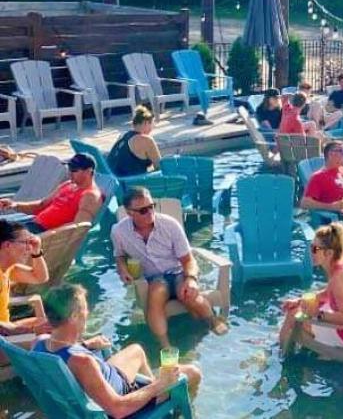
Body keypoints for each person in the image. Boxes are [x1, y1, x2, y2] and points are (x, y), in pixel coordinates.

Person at [33, 283, 201, 418]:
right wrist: (160, 385)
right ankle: (167, 406)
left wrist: (85, 345)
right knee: (192, 373)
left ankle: (156, 397)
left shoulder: (40, 343)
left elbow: (65, 355)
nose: (88, 312)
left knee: (137, 350)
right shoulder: (83, 362)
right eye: (84, 308)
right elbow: (118, 409)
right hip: (125, 401)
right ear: (74, 317)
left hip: (108, 381)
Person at [111, 187, 228, 347]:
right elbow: (119, 255)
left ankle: (212, 321)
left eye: (152, 206)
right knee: (156, 293)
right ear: (129, 212)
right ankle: (166, 347)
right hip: (154, 278)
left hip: (178, 271)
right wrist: (122, 269)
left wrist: (191, 279)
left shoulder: (169, 225)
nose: (150, 212)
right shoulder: (119, 231)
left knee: (188, 294)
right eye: (143, 210)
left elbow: (188, 260)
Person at [279, 222, 343, 354]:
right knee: (296, 309)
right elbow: (328, 293)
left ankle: (280, 355)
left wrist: (317, 314)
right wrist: (300, 300)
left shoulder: (338, 278)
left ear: (329, 253)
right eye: (311, 247)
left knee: (292, 315)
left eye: (315, 249)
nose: (310, 252)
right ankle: (284, 345)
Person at [0, 153, 102, 233]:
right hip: (33, 224)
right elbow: (41, 205)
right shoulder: (68, 185)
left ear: (88, 171)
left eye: (74, 170)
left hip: (44, 234)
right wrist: (14, 205)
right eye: (69, 169)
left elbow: (78, 227)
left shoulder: (90, 196)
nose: (69, 173)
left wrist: (44, 236)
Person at [0, 221, 48, 337]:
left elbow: (40, 277)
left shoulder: (9, 269)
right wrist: (32, 330)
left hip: (7, 327)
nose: (29, 248)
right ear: (7, 245)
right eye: (25, 243)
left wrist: (36, 253)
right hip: (4, 339)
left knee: (55, 324)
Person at [107, 106, 162, 177]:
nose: (153, 128)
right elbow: (161, 167)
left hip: (115, 181)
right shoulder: (146, 140)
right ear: (146, 123)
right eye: (152, 124)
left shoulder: (122, 136)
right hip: (133, 182)